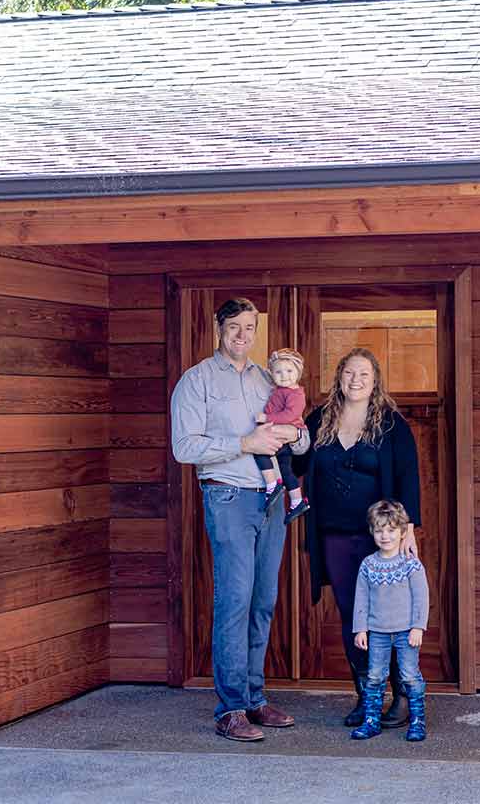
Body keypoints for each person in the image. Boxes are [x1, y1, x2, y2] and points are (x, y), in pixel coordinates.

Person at [170, 297, 309, 742]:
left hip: (271, 503)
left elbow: (297, 437)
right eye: (234, 327)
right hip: (228, 495)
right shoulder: (197, 381)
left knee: (264, 599)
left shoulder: (268, 378)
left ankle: (254, 698)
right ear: (218, 327)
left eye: (250, 328)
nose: (242, 336)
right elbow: (184, 447)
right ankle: (230, 708)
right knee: (235, 600)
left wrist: (297, 435)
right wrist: (243, 443)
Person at [294, 347, 421, 729]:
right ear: (339, 377)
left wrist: (407, 530)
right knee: (356, 616)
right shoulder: (320, 418)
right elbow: (298, 462)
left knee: (392, 616)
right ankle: (367, 697)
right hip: (334, 536)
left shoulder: (391, 425)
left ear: (375, 380)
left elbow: (409, 478)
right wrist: (288, 429)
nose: (356, 380)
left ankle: (400, 696)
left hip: (380, 538)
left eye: (364, 374)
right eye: (349, 373)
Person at [351, 499, 429, 742]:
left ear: (403, 532)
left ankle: (417, 721)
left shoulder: (410, 564)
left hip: (406, 631)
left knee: (409, 675)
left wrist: (418, 626)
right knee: (375, 675)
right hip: (378, 632)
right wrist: (360, 629)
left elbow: (421, 597)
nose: (385, 536)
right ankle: (372, 720)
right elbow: (361, 599)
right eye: (379, 530)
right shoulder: (368, 565)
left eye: (391, 530)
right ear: (372, 532)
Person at [252, 348, 310, 524]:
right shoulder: (279, 390)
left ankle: (271, 485)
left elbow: (289, 416)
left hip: (284, 433)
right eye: (278, 372)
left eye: (289, 371)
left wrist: (266, 418)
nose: (284, 376)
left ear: (298, 372)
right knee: (285, 469)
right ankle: (297, 500)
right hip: (281, 435)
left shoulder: (296, 394)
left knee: (260, 451)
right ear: (272, 374)